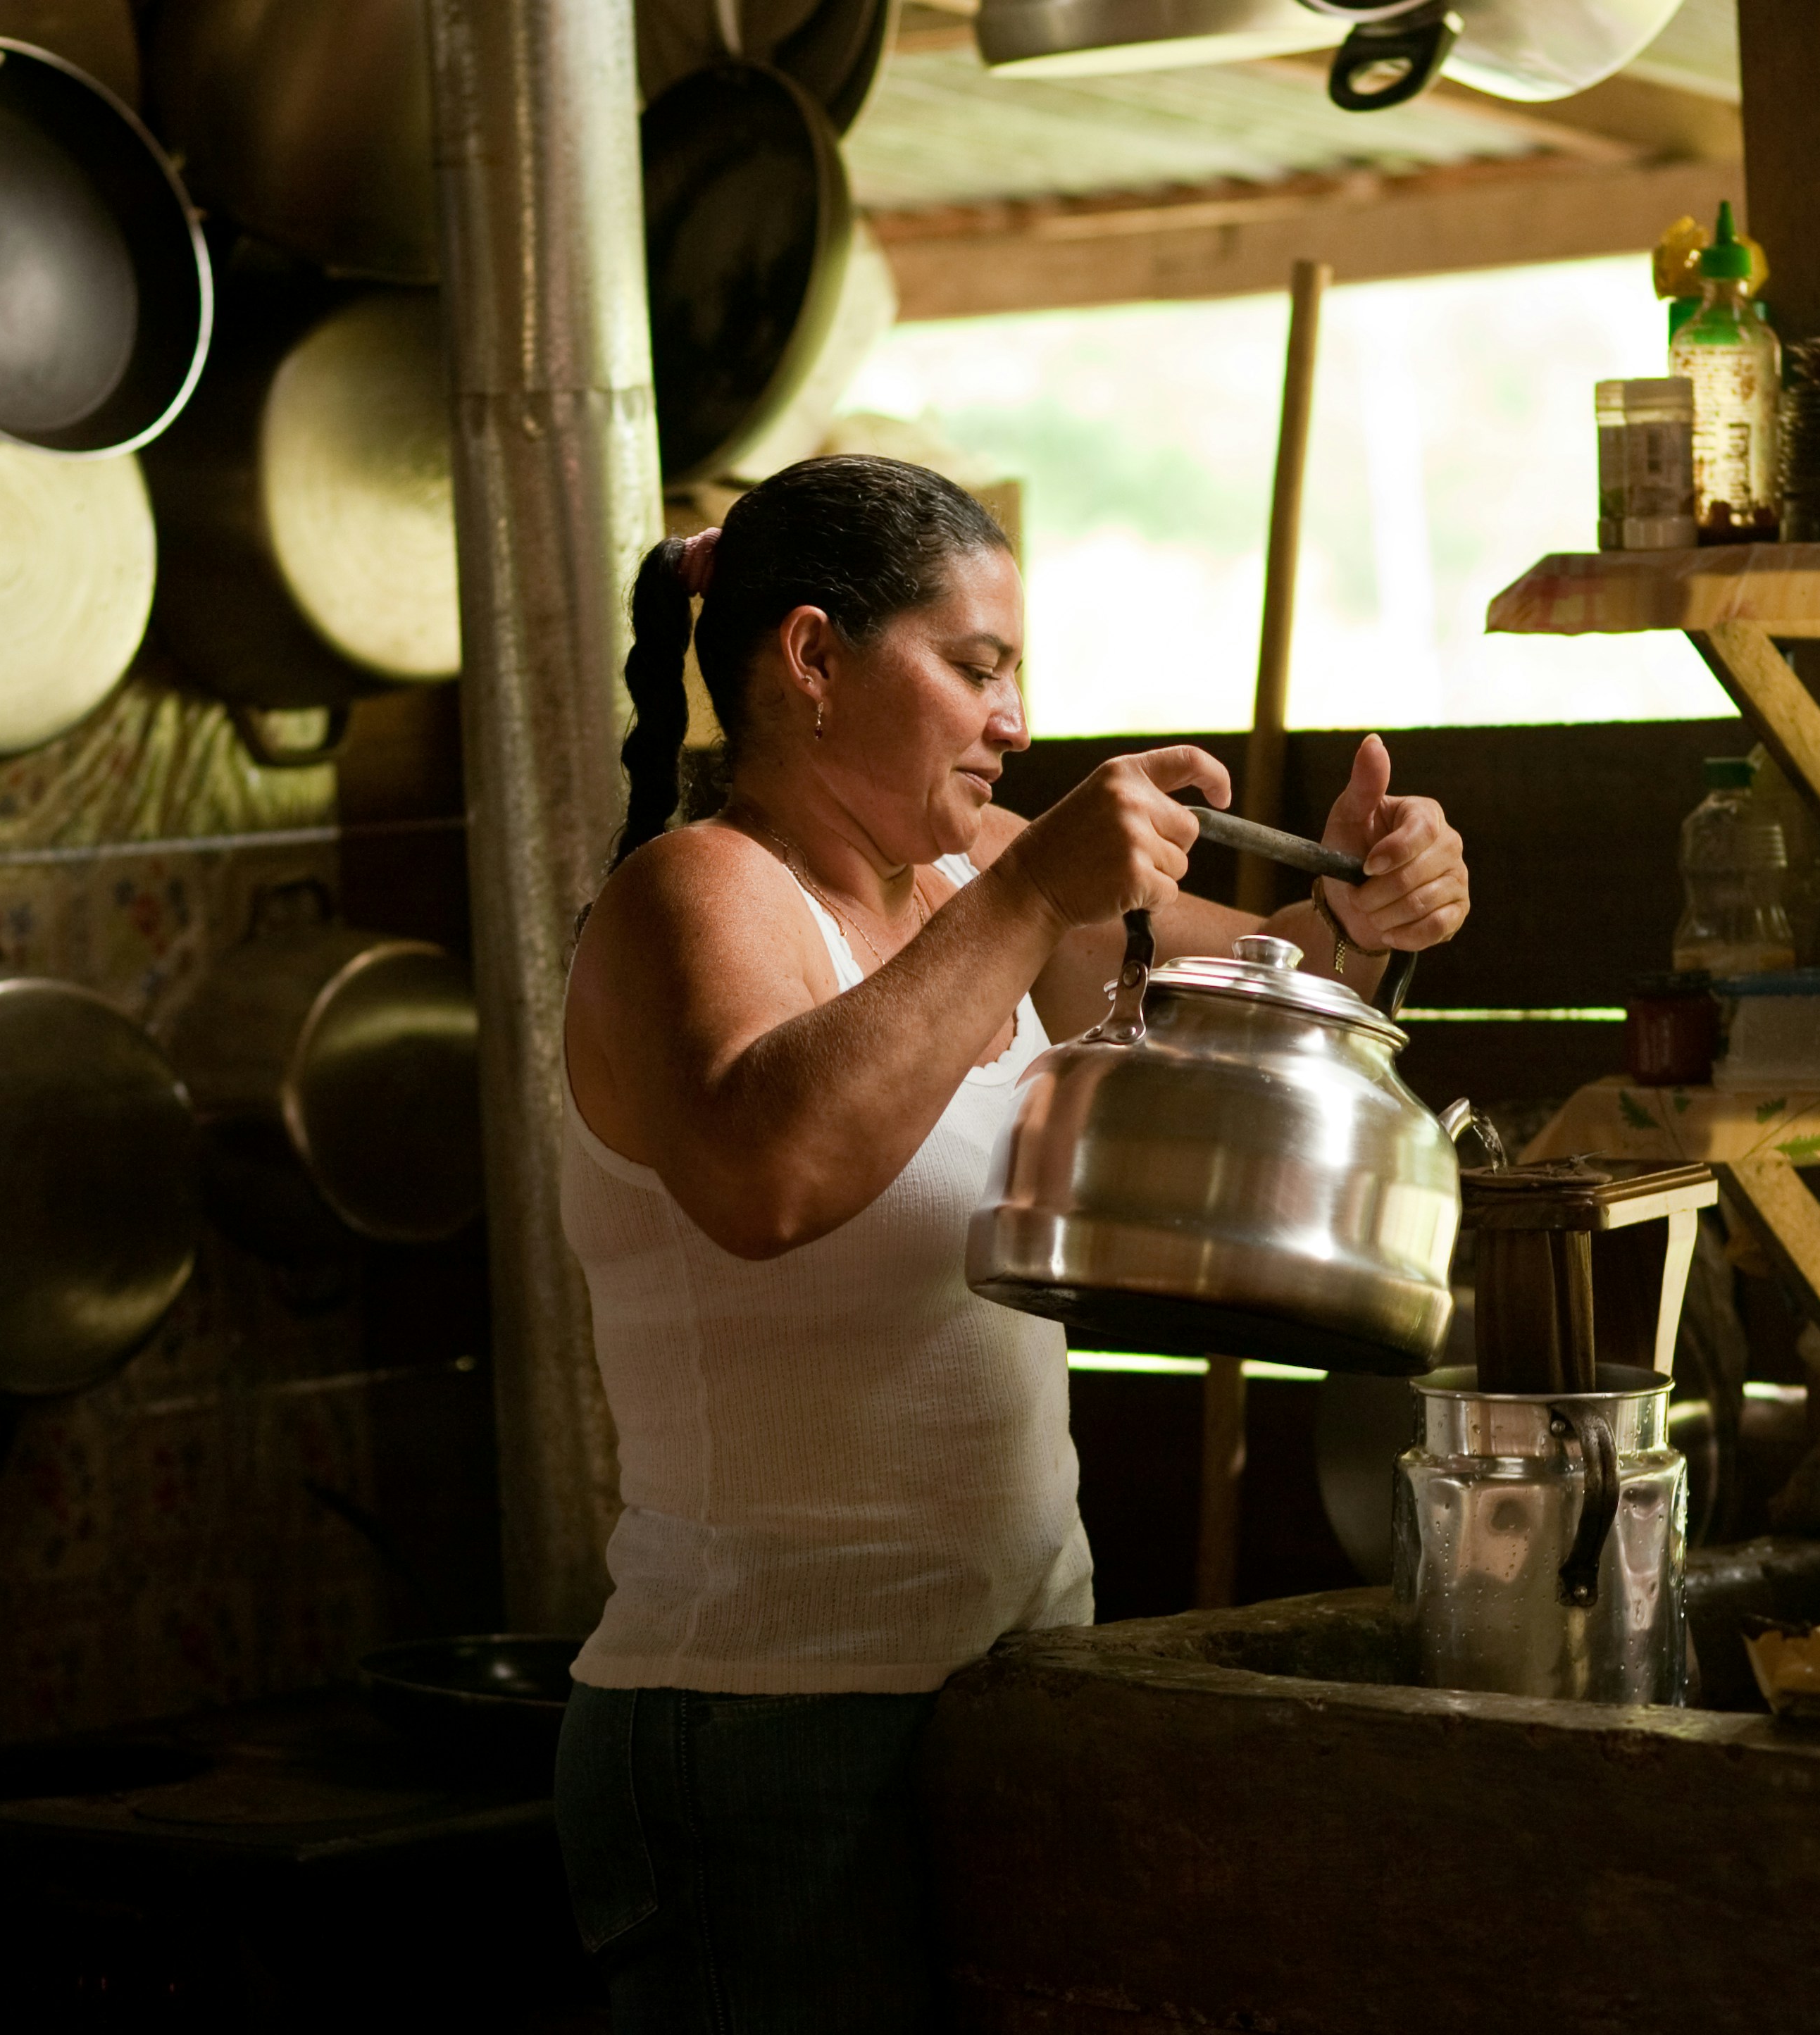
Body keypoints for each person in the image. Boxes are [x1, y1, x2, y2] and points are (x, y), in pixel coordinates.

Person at [555, 455, 1470, 2031]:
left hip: (1021, 1679)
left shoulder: (971, 883)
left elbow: (1273, 981)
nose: (1017, 721)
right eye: (975, 667)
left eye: (1016, 672)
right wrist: (1037, 881)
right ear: (814, 660)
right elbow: (764, 1173)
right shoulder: (688, 895)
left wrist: (1370, 912)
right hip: (767, 1725)